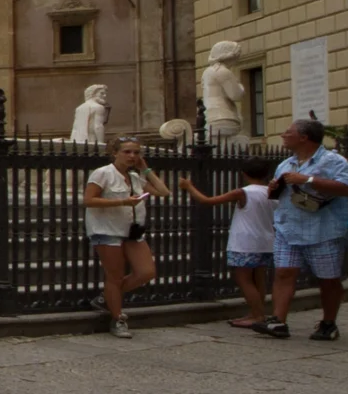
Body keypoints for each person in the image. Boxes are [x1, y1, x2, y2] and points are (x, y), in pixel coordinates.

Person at [259, 117, 348, 340]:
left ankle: (329, 322)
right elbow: (276, 195)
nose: (283, 135)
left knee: (328, 279)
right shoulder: (286, 164)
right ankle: (278, 321)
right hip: (288, 228)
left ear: (304, 137)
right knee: (283, 272)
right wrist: (273, 188)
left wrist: (309, 179)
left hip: (323, 230)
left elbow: (347, 188)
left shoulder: (334, 162)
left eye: (288, 132)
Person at [84, 136, 168, 337]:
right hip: (107, 230)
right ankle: (118, 317)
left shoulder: (135, 177)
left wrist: (145, 169)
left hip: (132, 231)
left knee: (146, 272)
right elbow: (89, 200)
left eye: (136, 152)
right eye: (127, 152)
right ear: (115, 153)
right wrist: (122, 202)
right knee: (115, 275)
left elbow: (163, 192)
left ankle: (108, 298)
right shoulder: (103, 173)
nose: (132, 156)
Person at [181, 160, 278, 329]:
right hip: (266, 240)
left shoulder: (243, 192)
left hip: (245, 242)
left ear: (244, 174)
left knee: (244, 279)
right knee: (259, 279)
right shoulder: (271, 192)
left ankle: (258, 315)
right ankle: (258, 311)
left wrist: (189, 186)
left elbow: (207, 201)